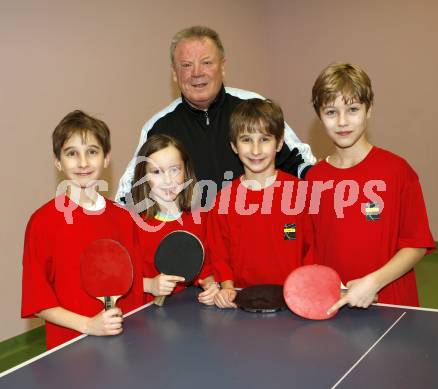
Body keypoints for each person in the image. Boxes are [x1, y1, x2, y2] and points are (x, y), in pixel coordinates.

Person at [116, 26, 315, 204]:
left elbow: (302, 166)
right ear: (174, 73)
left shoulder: (254, 107)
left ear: (223, 66)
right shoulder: (158, 127)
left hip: (259, 231)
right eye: (186, 65)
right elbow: (129, 196)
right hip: (192, 241)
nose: (197, 73)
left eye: (206, 62)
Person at [307, 63, 435, 313]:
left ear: (369, 110)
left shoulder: (398, 171)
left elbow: (416, 244)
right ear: (319, 116)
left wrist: (373, 282)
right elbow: (312, 247)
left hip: (392, 305)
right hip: (335, 304)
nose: (343, 121)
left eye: (353, 109)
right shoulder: (314, 178)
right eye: (331, 112)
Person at [21, 110, 144, 349]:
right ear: (57, 161)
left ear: (106, 158)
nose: (83, 162)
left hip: (124, 342)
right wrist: (89, 325)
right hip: (70, 350)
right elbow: (38, 301)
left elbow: (135, 288)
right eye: (71, 153)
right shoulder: (42, 222)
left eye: (92, 152)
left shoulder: (124, 218)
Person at [206, 99, 315, 309]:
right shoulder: (223, 200)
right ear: (233, 146)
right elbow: (220, 254)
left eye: (264, 139)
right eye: (246, 139)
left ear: (279, 143)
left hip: (294, 303)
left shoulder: (302, 193)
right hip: (243, 303)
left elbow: (312, 249)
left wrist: (305, 287)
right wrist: (227, 287)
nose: (256, 150)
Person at [129, 134, 218, 305]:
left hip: (188, 314)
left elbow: (205, 269)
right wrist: (149, 284)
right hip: (147, 319)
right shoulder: (132, 225)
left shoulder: (202, 219)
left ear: (186, 172)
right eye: (156, 172)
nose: (168, 180)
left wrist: (211, 285)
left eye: (174, 169)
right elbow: (121, 280)